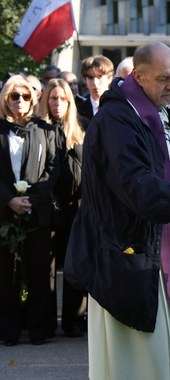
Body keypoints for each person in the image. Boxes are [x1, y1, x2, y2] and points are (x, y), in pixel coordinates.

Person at [64, 41, 170, 379]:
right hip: (129, 245)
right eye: (163, 78)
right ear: (139, 75)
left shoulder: (157, 108)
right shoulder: (118, 117)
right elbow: (133, 181)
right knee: (140, 354)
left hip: (164, 232)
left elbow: (158, 167)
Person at [0, 75, 58, 346]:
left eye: (24, 96)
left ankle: (39, 330)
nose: (19, 102)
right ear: (5, 99)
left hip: (38, 211)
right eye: (14, 96)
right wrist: (9, 199)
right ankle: (8, 331)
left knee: (38, 271)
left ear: (33, 99)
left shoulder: (45, 130)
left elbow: (53, 169)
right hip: (4, 211)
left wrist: (32, 198)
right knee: (5, 272)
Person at [39, 78, 89, 338]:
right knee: (47, 269)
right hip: (46, 207)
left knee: (75, 266)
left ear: (70, 101)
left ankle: (74, 320)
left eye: (63, 98)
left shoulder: (82, 128)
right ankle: (45, 323)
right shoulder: (39, 129)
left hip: (77, 208)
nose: (58, 103)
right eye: (53, 98)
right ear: (46, 100)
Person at [77, 55, 114, 123]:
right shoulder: (77, 111)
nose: (95, 83)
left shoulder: (120, 107)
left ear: (110, 78)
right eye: (90, 78)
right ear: (85, 80)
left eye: (99, 77)